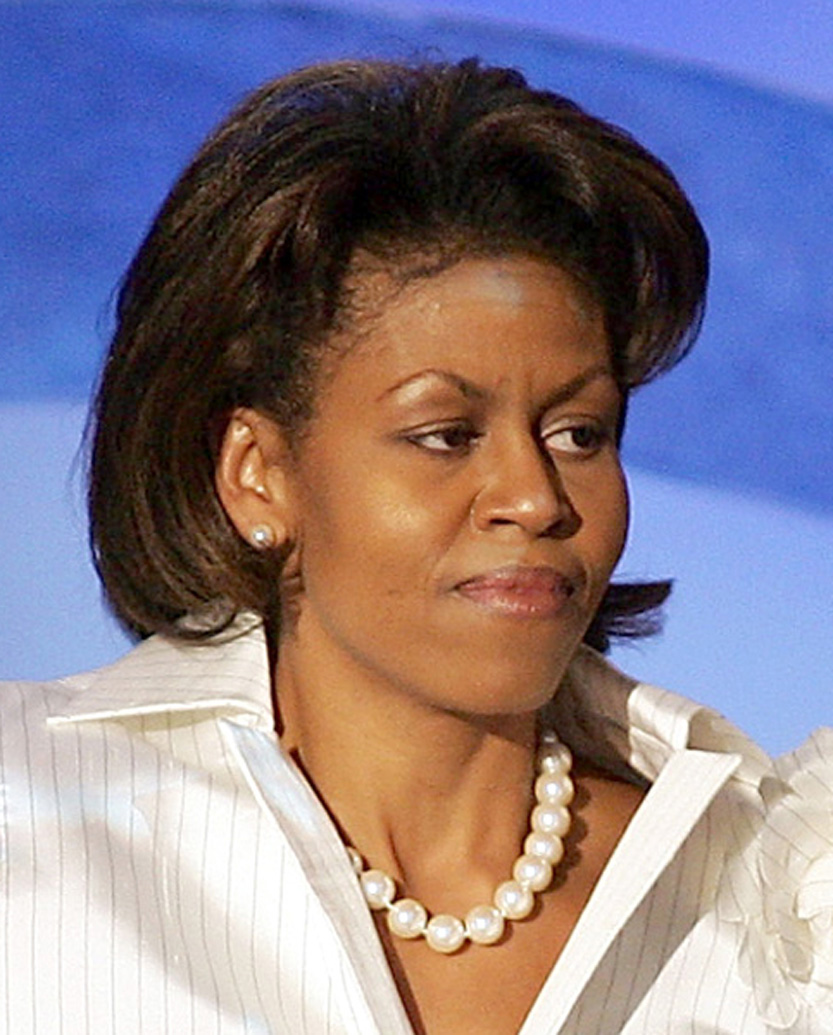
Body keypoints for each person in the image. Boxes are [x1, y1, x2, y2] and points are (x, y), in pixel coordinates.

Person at [1, 57, 830, 1035]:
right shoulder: (27, 825)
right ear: (257, 474)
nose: (532, 498)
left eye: (577, 434)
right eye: (444, 435)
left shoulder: (777, 903)